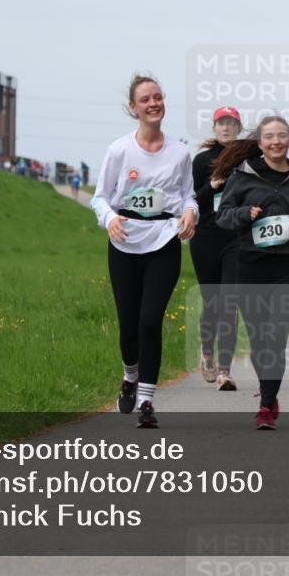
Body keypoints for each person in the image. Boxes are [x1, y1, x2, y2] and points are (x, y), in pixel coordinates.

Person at [90, 74, 198, 428]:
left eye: (158, 97)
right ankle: (129, 375)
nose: (154, 104)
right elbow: (100, 197)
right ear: (134, 108)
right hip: (124, 242)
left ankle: (147, 401)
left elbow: (188, 195)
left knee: (151, 320)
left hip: (164, 240)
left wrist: (190, 213)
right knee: (129, 327)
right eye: (146, 100)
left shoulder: (180, 152)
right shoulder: (119, 150)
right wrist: (109, 219)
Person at [215, 116, 289, 430]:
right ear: (260, 142)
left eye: (281, 136)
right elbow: (222, 216)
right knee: (260, 340)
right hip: (251, 265)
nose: (276, 142)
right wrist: (243, 214)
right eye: (269, 137)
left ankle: (265, 406)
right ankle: (270, 390)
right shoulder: (243, 175)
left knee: (275, 336)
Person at [190, 106, 243, 391]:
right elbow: (189, 201)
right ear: (214, 128)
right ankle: (207, 352)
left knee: (229, 303)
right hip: (206, 237)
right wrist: (212, 185)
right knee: (212, 301)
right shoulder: (201, 161)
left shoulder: (248, 159)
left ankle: (225, 371)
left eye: (231, 123)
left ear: (238, 127)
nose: (225, 128)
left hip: (235, 238)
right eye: (221, 123)